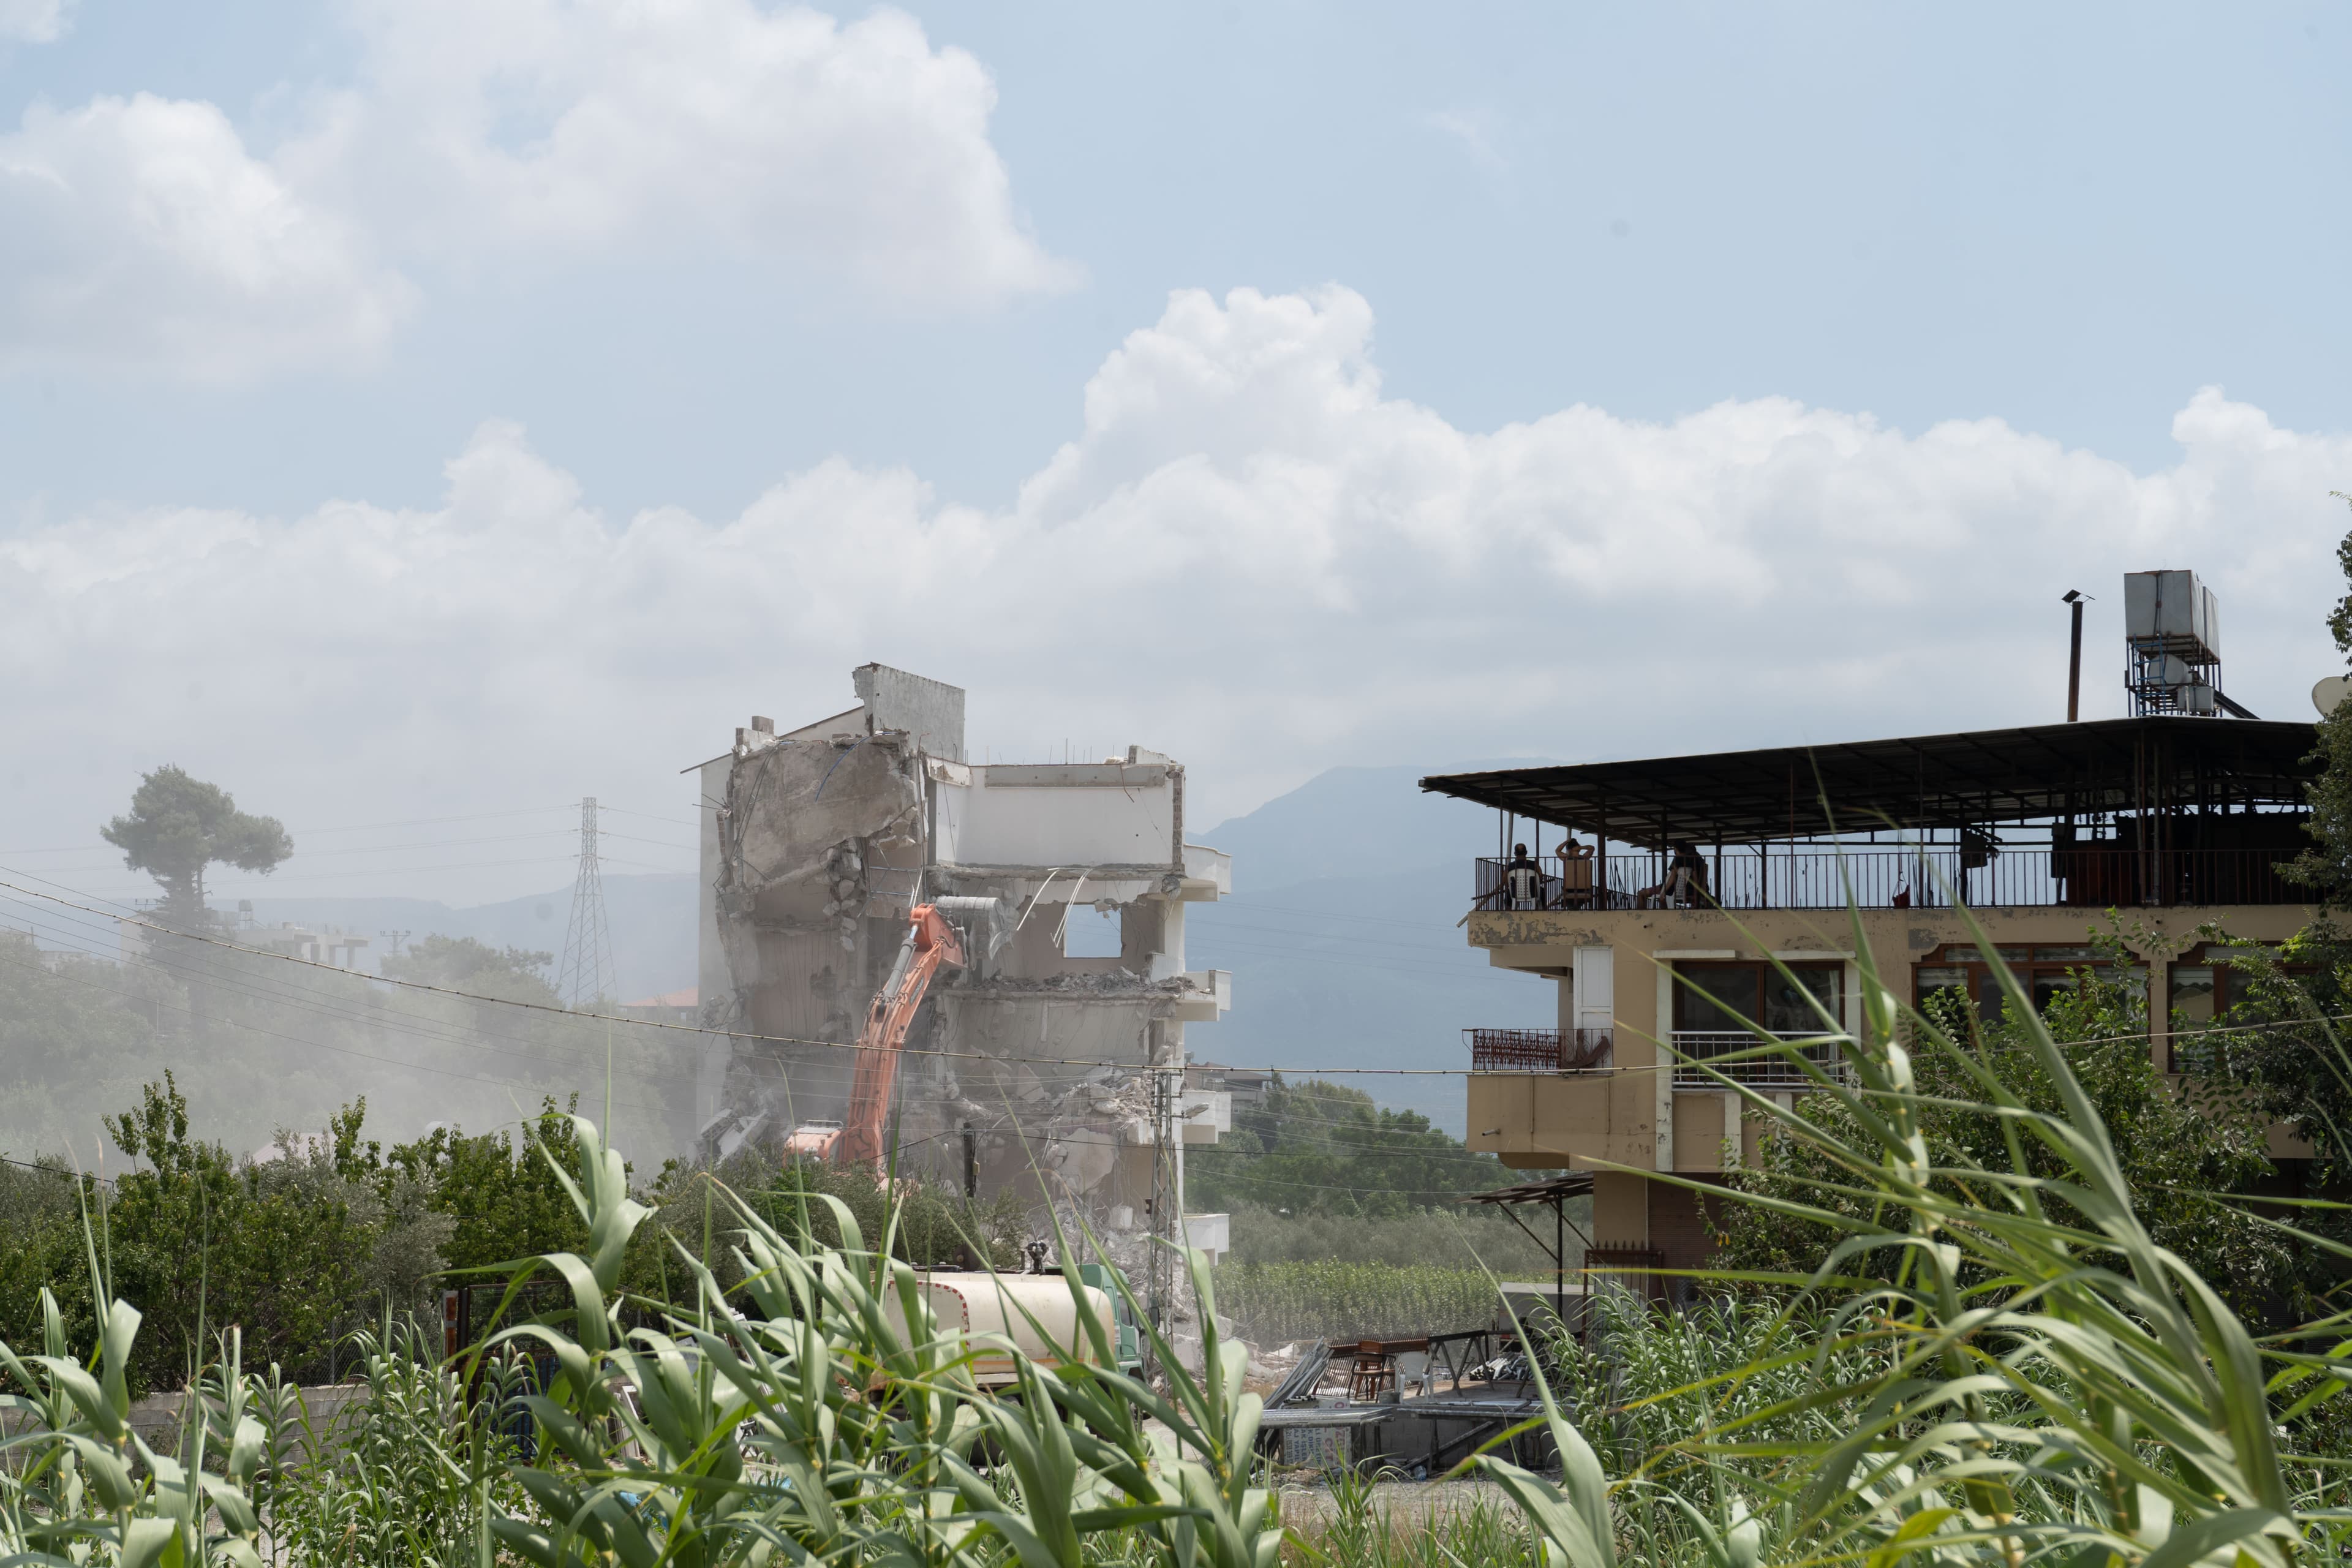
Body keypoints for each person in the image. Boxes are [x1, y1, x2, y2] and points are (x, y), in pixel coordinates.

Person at [1555, 836, 1597, 908]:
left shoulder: (1567, 859)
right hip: (1584, 889)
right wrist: (1580, 847)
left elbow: (1557, 851)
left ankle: (1563, 908)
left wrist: (1566, 842)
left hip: (1569, 890)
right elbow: (1592, 848)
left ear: (1569, 850)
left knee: (1566, 899)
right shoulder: (1585, 858)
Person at [1501, 843, 1546, 910]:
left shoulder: (1510, 867)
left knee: (1508, 893)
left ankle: (1509, 911)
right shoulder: (1534, 865)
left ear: (1515, 854)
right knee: (1542, 891)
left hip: (1515, 893)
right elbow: (1540, 878)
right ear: (1526, 852)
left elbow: (1505, 881)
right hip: (1533, 893)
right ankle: (1540, 910)